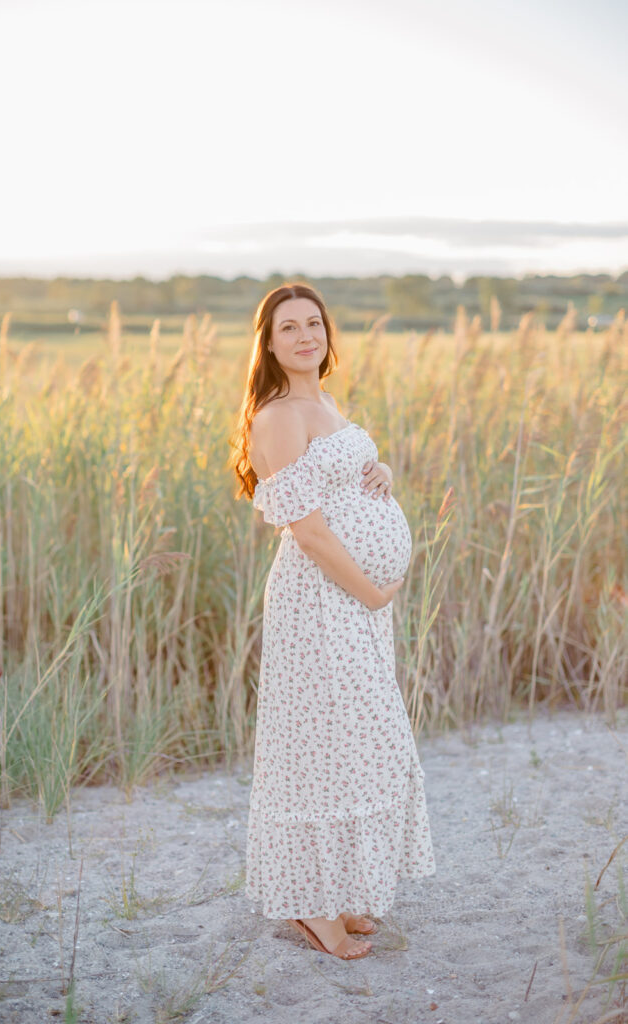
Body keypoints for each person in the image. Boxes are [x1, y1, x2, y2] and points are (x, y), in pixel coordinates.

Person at [230, 282, 435, 961]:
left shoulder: (321, 401)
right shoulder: (277, 414)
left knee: (350, 737)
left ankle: (339, 891)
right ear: (267, 343)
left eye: (312, 323)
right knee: (320, 742)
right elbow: (310, 532)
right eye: (287, 327)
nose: (303, 336)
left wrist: (373, 470)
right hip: (320, 602)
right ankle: (311, 906)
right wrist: (372, 594)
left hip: (350, 602)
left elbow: (334, 475)